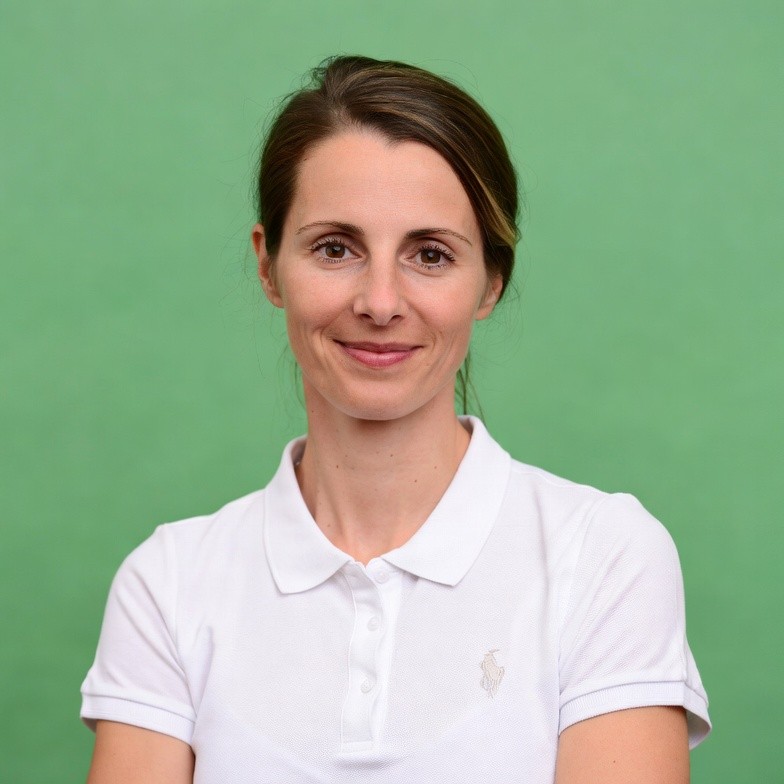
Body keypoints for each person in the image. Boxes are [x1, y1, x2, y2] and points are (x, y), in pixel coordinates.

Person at [81, 55, 711, 783]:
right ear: (268, 265)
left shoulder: (605, 557)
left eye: (431, 254)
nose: (380, 302)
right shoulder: (168, 583)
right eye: (336, 248)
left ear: (491, 282)